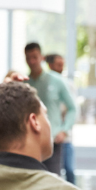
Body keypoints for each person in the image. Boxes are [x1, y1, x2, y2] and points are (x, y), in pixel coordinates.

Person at [25, 41, 78, 182]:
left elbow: (73, 108)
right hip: (30, 142)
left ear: (41, 57)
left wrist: (64, 130)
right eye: (28, 58)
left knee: (53, 181)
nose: (32, 61)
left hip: (53, 141)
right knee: (32, 182)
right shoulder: (25, 83)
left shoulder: (57, 81)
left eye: (35, 57)